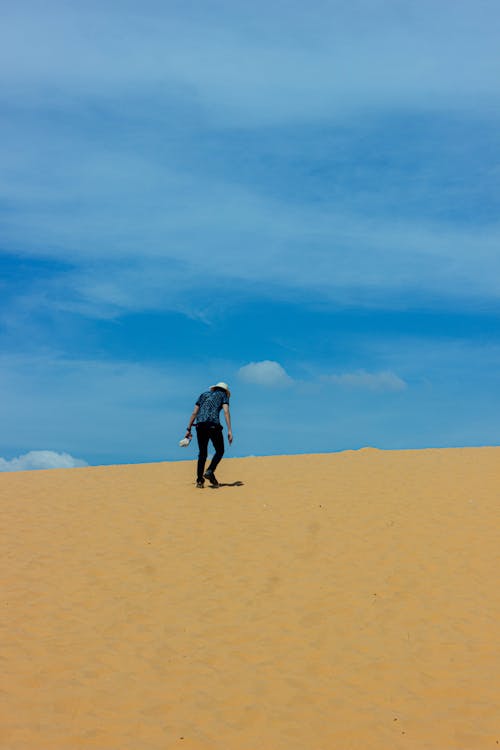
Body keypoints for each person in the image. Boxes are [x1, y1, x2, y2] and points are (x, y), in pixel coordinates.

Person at [185, 382, 233, 488]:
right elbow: (226, 411)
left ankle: (199, 481)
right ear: (225, 390)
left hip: (200, 426)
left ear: (214, 388)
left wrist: (188, 429)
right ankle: (210, 471)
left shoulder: (203, 395)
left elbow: (194, 413)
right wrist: (229, 430)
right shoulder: (223, 395)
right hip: (213, 425)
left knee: (202, 453)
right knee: (220, 450)